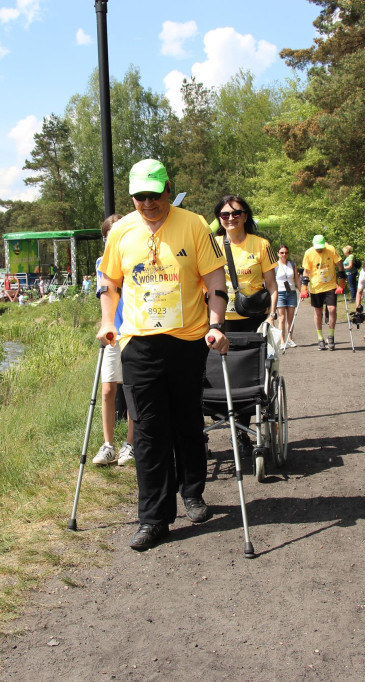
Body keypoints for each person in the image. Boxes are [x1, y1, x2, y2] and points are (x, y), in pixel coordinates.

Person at [96, 158, 228, 552]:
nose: (148, 202)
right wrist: (107, 321)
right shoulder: (120, 231)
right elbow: (110, 281)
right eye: (139, 196)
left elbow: (214, 278)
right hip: (138, 343)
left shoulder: (193, 224)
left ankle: (192, 493)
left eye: (154, 194)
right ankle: (153, 518)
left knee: (187, 419)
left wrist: (216, 322)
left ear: (168, 188)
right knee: (150, 430)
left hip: (187, 340)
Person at [213, 194, 277, 459]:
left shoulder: (261, 245)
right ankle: (225, 420)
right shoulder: (212, 244)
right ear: (219, 219)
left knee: (248, 375)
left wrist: (272, 317)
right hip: (220, 320)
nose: (230, 218)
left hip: (252, 320)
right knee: (217, 374)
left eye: (236, 213)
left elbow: (272, 286)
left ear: (245, 216)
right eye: (225, 215)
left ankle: (242, 430)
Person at [92, 214, 135, 468]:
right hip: (113, 334)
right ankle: (108, 445)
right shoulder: (102, 263)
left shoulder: (134, 258)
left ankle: (130, 443)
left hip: (134, 332)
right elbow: (106, 296)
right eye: (110, 236)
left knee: (131, 390)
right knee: (108, 390)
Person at [301, 234, 343, 350]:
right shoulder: (309, 253)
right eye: (317, 247)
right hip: (316, 286)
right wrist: (304, 287)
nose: (319, 249)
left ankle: (331, 336)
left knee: (332, 309)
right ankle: (320, 338)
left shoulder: (331, 249)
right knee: (318, 312)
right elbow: (306, 271)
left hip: (330, 285)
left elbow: (340, 264)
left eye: (321, 247)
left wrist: (342, 281)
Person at [274, 244, 301, 350]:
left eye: (286, 252)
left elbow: (297, 279)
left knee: (291, 318)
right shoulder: (274, 265)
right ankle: (282, 340)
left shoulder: (292, 264)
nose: (284, 254)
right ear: (278, 254)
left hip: (291, 292)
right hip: (280, 293)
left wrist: (302, 290)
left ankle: (290, 339)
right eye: (282, 252)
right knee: (282, 318)